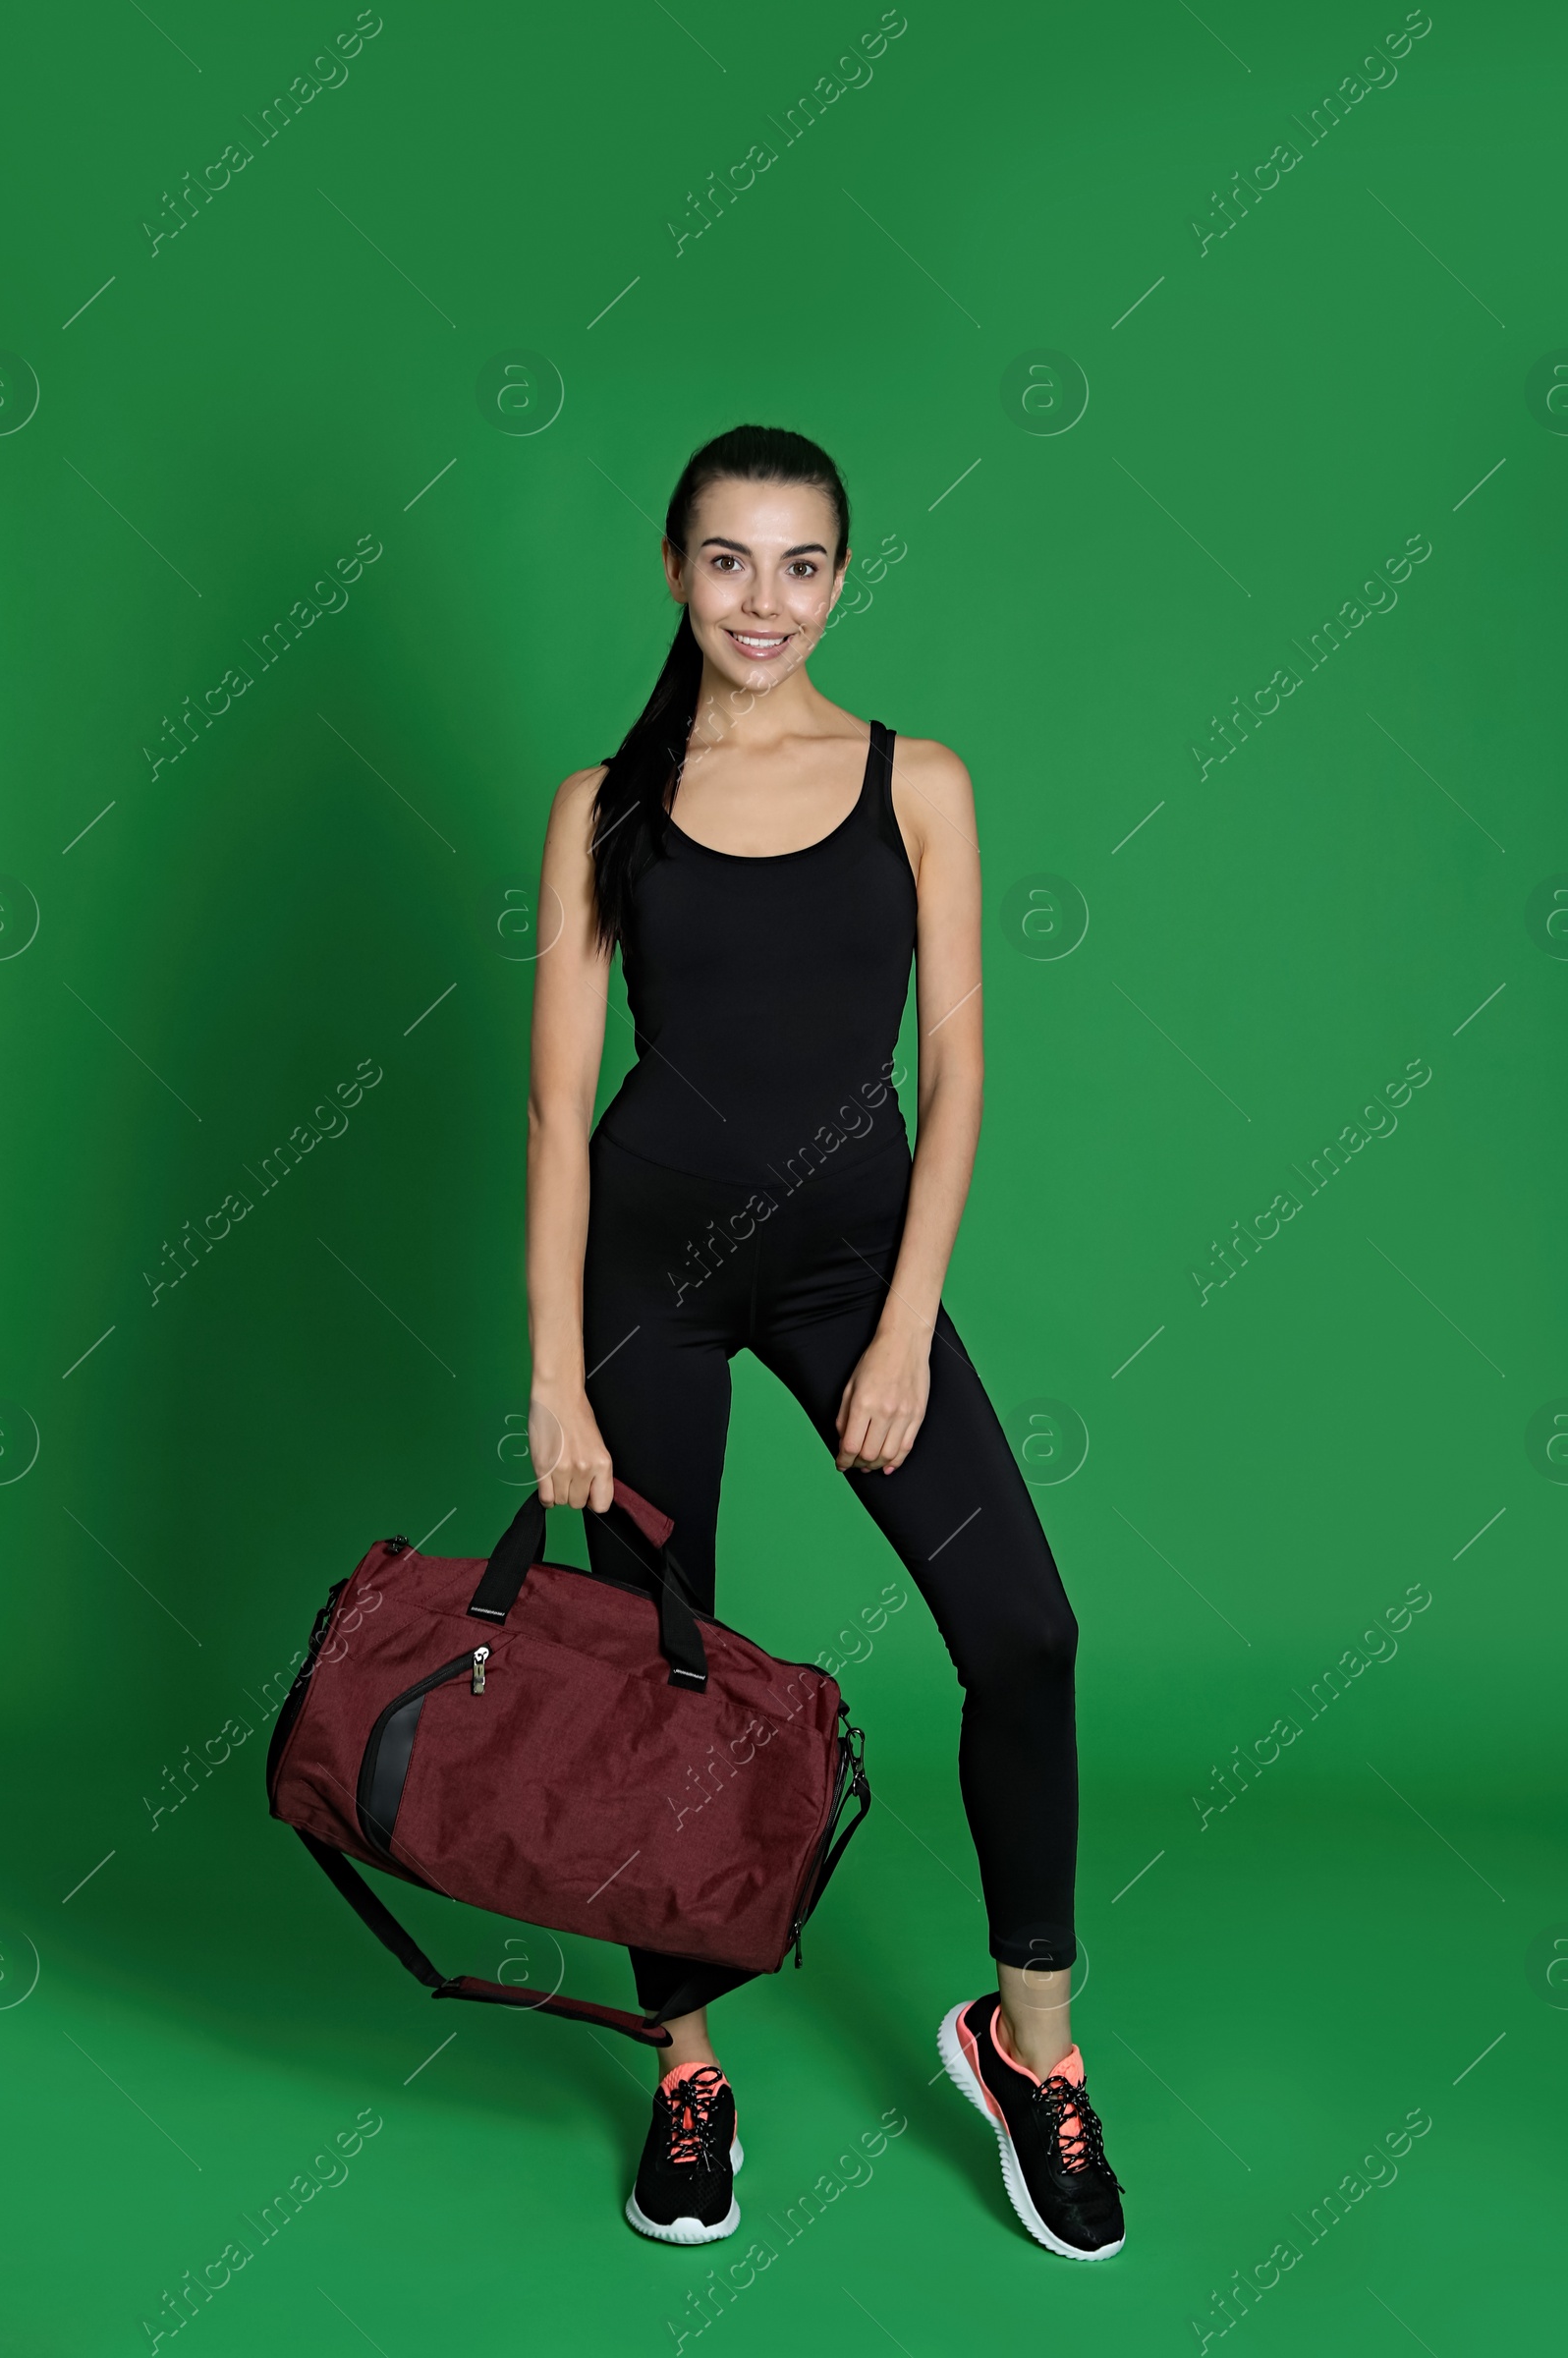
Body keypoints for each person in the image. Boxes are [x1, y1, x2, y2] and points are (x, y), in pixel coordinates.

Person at [524, 424, 1124, 2261]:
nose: (762, 601)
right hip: (646, 1273)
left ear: (842, 579)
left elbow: (957, 1069)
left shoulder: (915, 779)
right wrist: (554, 1370)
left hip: (858, 1264)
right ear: (673, 568)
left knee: (1023, 1631)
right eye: (727, 561)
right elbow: (559, 1107)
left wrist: (908, 1322)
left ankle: (1032, 2051)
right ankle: (684, 2064)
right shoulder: (603, 803)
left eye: (798, 565)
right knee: (652, 1676)